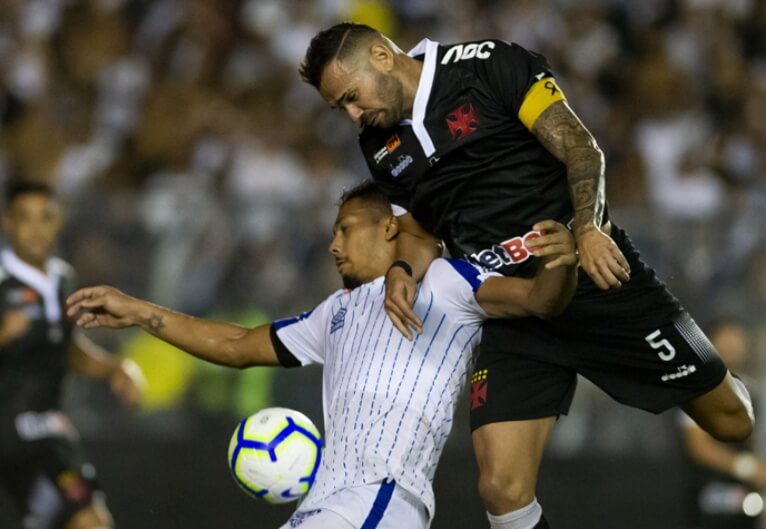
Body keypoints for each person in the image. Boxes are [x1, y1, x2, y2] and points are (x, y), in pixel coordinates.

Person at [299, 22, 754, 529]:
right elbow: (420, 228)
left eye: (352, 98)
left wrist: (587, 229)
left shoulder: (489, 65)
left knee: (733, 421)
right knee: (501, 488)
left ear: (382, 57)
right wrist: (404, 269)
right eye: (341, 108)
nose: (353, 115)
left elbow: (581, 147)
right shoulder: (378, 143)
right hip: (511, 307)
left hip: (591, 275)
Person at [65, 181, 578, 529]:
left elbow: (538, 301)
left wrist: (564, 255)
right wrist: (135, 311)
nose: (333, 245)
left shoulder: (445, 283)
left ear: (389, 229)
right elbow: (237, 345)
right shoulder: (332, 313)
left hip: (381, 496)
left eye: (345, 229)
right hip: (327, 506)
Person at [0, 181, 144, 529]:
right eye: (25, 218)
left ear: (57, 221)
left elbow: (68, 350)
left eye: (44, 218)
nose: (35, 229)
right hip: (14, 434)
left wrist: (114, 368)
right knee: (89, 522)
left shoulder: (64, 278)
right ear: (8, 222)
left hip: (55, 429)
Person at [680, 317, 765, 529]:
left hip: (749, 496)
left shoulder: (753, 389)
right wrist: (746, 467)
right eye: (724, 337)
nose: (731, 345)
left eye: (736, 338)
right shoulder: (698, 386)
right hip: (710, 491)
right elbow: (698, 446)